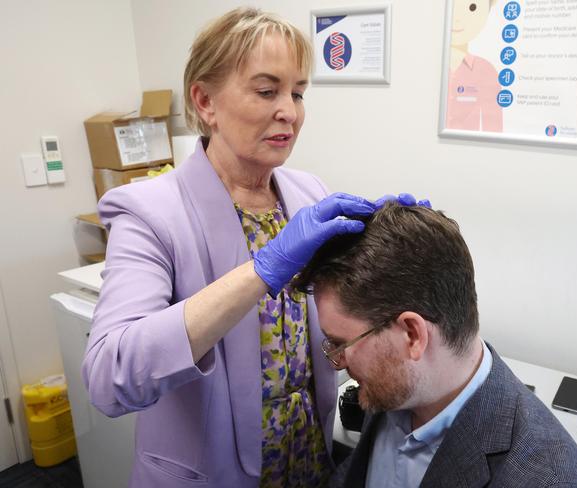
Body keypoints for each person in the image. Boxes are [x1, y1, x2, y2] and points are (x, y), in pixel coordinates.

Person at [82, 8, 385, 487]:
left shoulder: (307, 192)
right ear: (205, 101)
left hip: (306, 454)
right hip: (211, 473)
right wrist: (262, 271)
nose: (289, 110)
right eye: (267, 91)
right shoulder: (149, 212)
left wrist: (387, 245)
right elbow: (109, 377)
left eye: (298, 92)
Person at [293, 203, 577, 488]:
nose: (337, 361)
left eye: (341, 343)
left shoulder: (548, 478)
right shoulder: (398, 383)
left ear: (412, 335)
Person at [447, 0, 503, 132]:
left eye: (472, 8)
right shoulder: (429, 65)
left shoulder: (486, 71)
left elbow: (493, 130)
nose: (457, 18)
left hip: (468, 148)